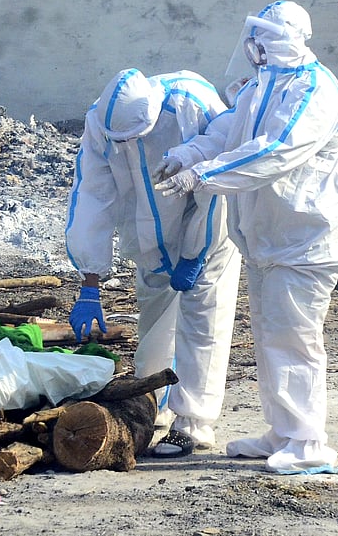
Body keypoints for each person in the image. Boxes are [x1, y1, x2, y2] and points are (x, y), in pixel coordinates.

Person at [154, 0, 338, 472]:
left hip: (308, 236)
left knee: (295, 340)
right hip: (270, 237)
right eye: (255, 36)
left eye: (264, 36)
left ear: (288, 37)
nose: (254, 47)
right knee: (272, 336)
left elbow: (276, 151)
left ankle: (308, 443)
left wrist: (203, 175)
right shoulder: (266, 86)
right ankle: (282, 431)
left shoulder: (315, 89)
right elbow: (231, 131)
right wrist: (190, 153)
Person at [65, 68, 242, 457]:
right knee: (154, 321)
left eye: (135, 138)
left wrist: (197, 251)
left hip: (206, 230)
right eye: (120, 140)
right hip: (151, 241)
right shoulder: (100, 122)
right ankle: (150, 405)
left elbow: (214, 181)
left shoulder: (191, 102)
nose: (127, 144)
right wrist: (89, 281)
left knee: (203, 320)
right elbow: (92, 196)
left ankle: (193, 424)